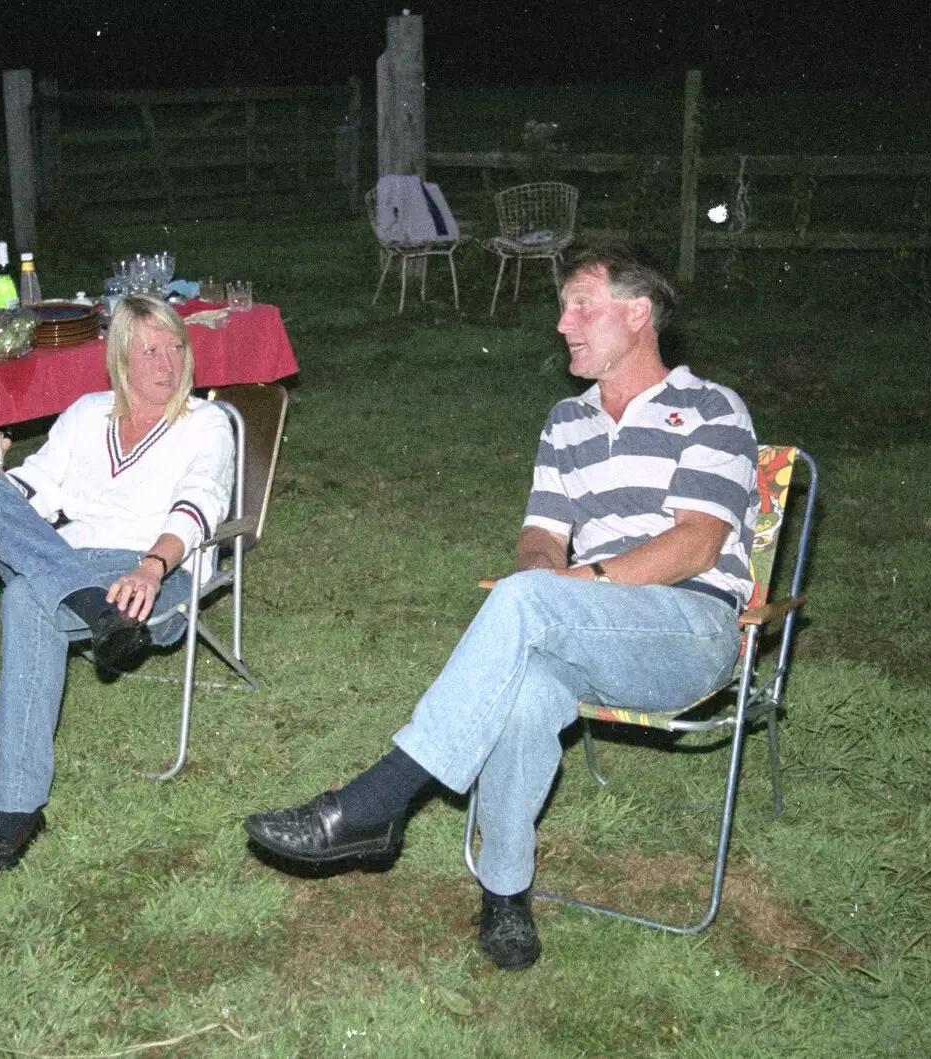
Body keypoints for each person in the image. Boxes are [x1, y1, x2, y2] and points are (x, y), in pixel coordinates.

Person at [244, 244, 758, 969]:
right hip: (583, 627)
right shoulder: (566, 421)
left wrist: (573, 585)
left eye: (582, 304)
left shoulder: (710, 407)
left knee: (529, 605)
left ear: (638, 314)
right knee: (520, 692)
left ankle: (377, 801)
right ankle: (506, 894)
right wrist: (548, 576)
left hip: (687, 629)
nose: (562, 322)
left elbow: (697, 543)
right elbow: (541, 538)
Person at [0, 294, 234, 886]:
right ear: (120, 361)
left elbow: (202, 502)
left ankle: (13, 815)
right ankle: (89, 606)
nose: (167, 363)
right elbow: (37, 490)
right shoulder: (85, 415)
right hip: (78, 564)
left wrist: (153, 567)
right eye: (149, 350)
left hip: (156, 574)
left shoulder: (206, 423)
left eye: (176, 346)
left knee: (27, 597)